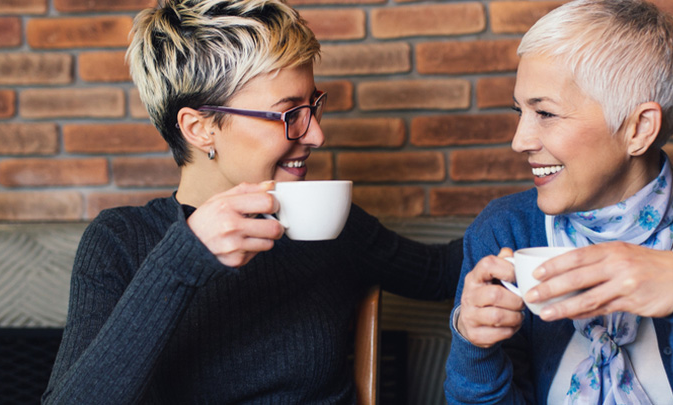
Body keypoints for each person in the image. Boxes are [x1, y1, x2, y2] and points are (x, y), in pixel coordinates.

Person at [42, 1, 462, 403]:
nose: (316, 134)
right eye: (288, 113)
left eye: (313, 105)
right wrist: (181, 260)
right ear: (201, 128)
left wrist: (525, 208)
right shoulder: (121, 242)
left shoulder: (329, 221)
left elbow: (443, 273)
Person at [444, 0, 673, 404]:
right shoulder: (502, 229)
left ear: (638, 129)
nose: (519, 140)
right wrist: (473, 346)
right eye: (519, 111)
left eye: (544, 112)